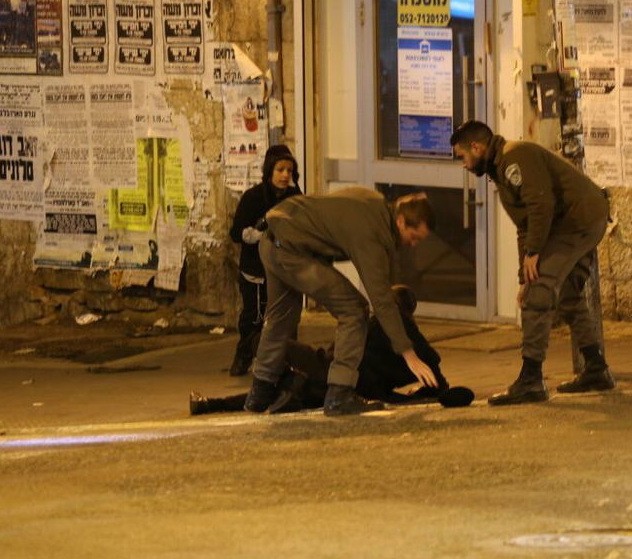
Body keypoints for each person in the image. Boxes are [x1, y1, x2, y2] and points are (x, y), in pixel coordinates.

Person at [450, 120, 613, 404]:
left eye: (462, 156)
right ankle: (596, 368)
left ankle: (531, 379)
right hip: (580, 220)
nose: (463, 164)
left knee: (539, 294)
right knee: (567, 296)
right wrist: (522, 277)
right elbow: (524, 226)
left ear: (476, 147)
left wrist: (534, 256)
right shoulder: (501, 168)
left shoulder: (514, 157)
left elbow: (541, 205)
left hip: (575, 222)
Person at [244, 188, 439, 417]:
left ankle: (259, 394)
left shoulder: (373, 202)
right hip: (290, 250)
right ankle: (340, 393)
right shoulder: (371, 234)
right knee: (354, 310)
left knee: (280, 318)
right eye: (414, 237)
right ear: (400, 221)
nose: (413, 244)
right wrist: (409, 354)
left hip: (271, 238)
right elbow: (382, 300)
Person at [190, 285, 474, 415]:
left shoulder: (386, 323)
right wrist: (435, 390)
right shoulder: (407, 345)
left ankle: (212, 402)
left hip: (331, 371)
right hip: (345, 384)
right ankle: (211, 403)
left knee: (281, 363)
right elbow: (434, 365)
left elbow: (338, 351)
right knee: (288, 386)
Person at [227, 145, 301, 374]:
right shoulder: (253, 197)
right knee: (253, 318)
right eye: (280, 169)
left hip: (286, 269)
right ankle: (244, 357)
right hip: (256, 272)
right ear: (270, 171)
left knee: (288, 318)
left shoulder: (295, 198)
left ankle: (289, 361)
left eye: (289, 170)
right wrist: (256, 235)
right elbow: (236, 232)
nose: (285, 175)